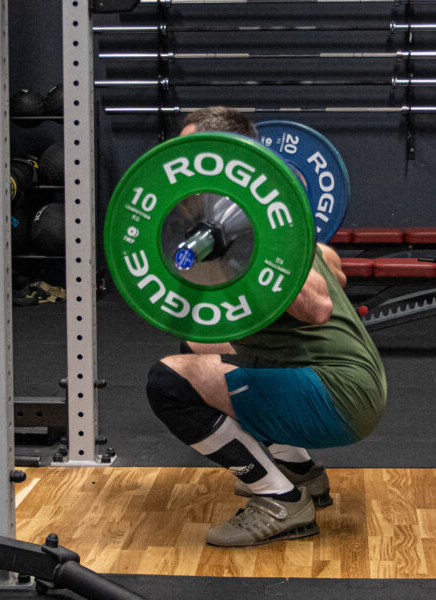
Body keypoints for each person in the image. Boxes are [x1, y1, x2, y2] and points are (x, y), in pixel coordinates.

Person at [146, 107, 387, 547]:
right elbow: (333, 263)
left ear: (224, 156)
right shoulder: (261, 221)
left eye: (191, 150)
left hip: (339, 395)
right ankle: (301, 472)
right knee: (196, 342)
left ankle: (279, 499)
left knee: (169, 383)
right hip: (346, 382)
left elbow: (316, 306)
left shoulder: (256, 229)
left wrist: (255, 250)